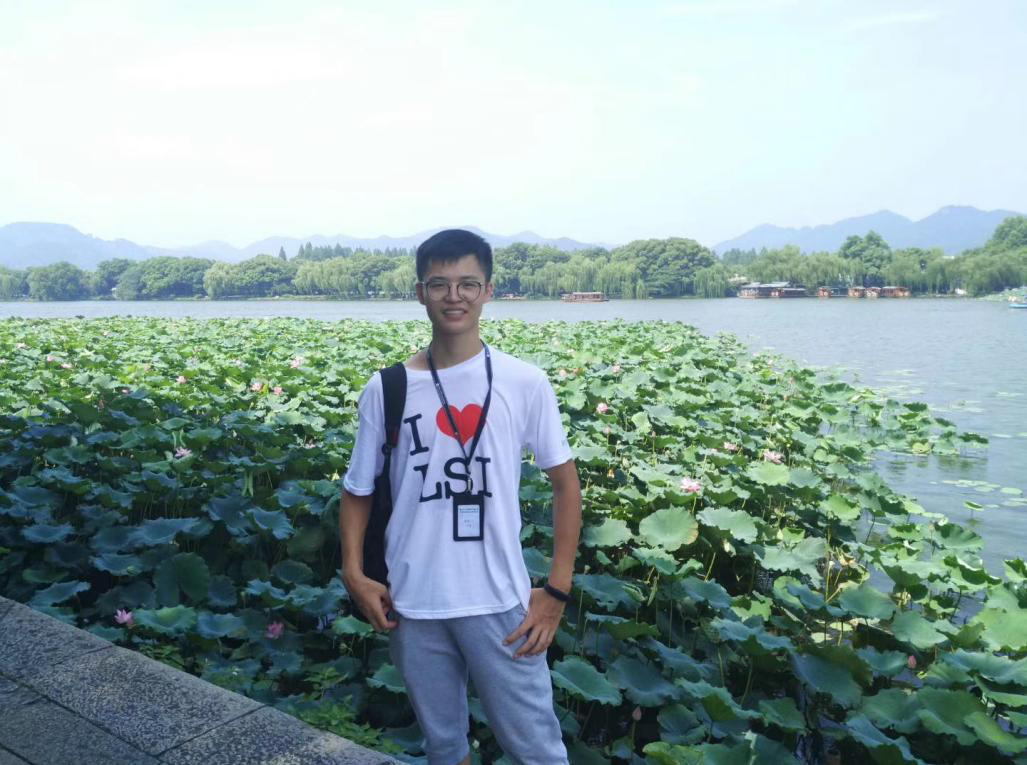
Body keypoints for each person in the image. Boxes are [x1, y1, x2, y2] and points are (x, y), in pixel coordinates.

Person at [340, 228, 582, 765]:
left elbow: (565, 483)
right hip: (411, 602)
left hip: (501, 601)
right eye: (440, 284)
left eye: (468, 284)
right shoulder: (388, 388)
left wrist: (557, 590)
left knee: (539, 751)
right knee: (444, 748)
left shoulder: (524, 382)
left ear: (488, 290)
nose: (455, 296)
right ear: (420, 293)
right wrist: (354, 573)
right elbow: (357, 490)